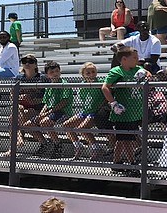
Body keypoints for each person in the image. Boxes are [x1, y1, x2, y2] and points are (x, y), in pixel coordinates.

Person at [102, 46, 148, 174]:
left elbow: (148, 74)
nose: (137, 60)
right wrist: (113, 103)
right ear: (124, 59)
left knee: (122, 139)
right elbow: (105, 87)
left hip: (134, 111)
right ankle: (132, 163)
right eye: (134, 58)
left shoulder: (137, 69)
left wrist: (145, 73)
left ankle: (116, 163)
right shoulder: (117, 71)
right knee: (127, 139)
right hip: (123, 113)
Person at [63, 62, 108, 161]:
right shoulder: (82, 85)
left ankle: (96, 148)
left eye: (93, 72)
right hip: (85, 111)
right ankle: (78, 146)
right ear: (83, 74)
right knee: (66, 125)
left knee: (82, 128)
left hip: (95, 111)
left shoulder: (100, 82)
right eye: (88, 73)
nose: (91, 75)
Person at [30, 61, 74, 159]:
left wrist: (47, 113)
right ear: (47, 75)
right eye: (52, 72)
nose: (55, 74)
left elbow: (64, 102)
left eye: (57, 71)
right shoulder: (49, 86)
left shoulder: (64, 84)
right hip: (51, 112)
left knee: (45, 122)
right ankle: (45, 144)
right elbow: (46, 103)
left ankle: (58, 145)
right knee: (29, 124)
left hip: (62, 111)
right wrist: (41, 114)